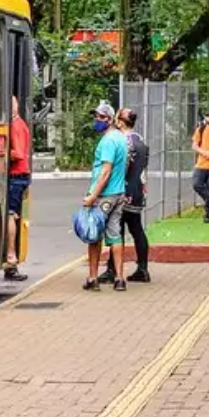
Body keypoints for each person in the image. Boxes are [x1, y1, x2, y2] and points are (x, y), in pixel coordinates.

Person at [100, 107, 151, 284]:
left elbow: (122, 167)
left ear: (120, 121)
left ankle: (112, 269)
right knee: (137, 229)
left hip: (123, 189)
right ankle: (143, 268)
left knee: (116, 229)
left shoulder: (122, 141)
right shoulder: (140, 140)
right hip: (138, 190)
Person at [83, 100, 129, 292]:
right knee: (115, 236)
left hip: (104, 196)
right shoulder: (121, 138)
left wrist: (93, 196)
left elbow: (105, 171)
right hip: (118, 193)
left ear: (110, 120)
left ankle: (93, 278)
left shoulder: (109, 141)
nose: (97, 120)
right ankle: (119, 278)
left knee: (94, 236)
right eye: (96, 116)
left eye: (101, 117)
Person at [3, 94, 32, 281]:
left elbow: (19, 153)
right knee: (12, 214)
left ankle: (11, 257)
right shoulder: (19, 123)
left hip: (16, 175)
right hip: (20, 175)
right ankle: (10, 265)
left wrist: (3, 151)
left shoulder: (15, 126)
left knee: (10, 214)